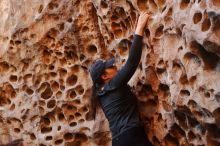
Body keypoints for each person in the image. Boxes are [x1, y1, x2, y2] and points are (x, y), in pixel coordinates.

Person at [88, 12, 153, 146]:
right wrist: (139, 28)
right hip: (131, 137)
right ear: (104, 76)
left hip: (118, 141)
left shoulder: (100, 93)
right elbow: (131, 63)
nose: (114, 66)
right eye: (110, 66)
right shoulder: (113, 84)